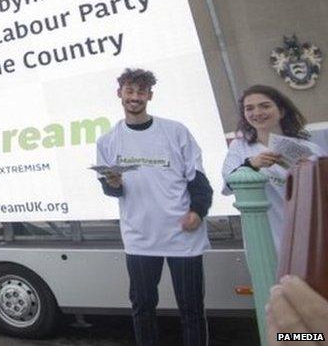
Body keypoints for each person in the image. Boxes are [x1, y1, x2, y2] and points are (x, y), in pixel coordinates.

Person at [95, 68, 213, 346]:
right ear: (120, 94)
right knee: (143, 306)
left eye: (141, 92)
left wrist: (197, 211)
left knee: (192, 309)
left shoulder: (175, 131)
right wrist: (113, 182)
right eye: (129, 91)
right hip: (140, 238)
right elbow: (112, 191)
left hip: (183, 234)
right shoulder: (107, 141)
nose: (135, 97)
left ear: (150, 95)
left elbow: (198, 178)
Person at [221, 84, 325, 253]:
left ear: (281, 111)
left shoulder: (310, 149)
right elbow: (228, 186)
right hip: (265, 234)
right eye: (249, 108)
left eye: (265, 106)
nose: (257, 113)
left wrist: (308, 171)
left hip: (309, 233)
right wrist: (251, 165)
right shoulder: (240, 147)